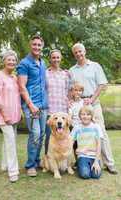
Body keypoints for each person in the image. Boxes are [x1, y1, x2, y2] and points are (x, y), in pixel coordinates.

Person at [69, 42, 117, 174]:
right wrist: (70, 101)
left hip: (93, 103)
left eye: (80, 51)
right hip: (79, 106)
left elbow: (101, 84)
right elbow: (70, 89)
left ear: (85, 51)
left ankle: (109, 163)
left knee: (100, 132)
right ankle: (79, 160)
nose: (79, 54)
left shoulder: (95, 66)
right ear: (74, 55)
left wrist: (92, 99)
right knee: (78, 133)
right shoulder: (72, 70)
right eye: (76, 52)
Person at [17, 35, 48, 177]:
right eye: (34, 44)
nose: (37, 47)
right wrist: (30, 105)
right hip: (31, 106)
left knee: (41, 134)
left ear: (42, 46)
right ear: (30, 45)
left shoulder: (43, 63)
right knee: (34, 134)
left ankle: (36, 161)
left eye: (39, 45)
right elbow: (22, 86)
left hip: (43, 105)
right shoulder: (24, 63)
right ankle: (30, 165)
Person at [0, 50, 21, 182]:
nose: (11, 62)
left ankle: (5, 165)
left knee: (9, 140)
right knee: (10, 142)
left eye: (14, 60)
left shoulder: (14, 77)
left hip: (14, 116)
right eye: (9, 60)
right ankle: (13, 171)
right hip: (5, 117)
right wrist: (6, 116)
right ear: (4, 61)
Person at [45, 49, 69, 154]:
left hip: (63, 110)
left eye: (58, 57)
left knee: (64, 136)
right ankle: (48, 159)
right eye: (53, 57)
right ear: (50, 59)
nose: (56, 59)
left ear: (61, 59)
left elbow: (68, 91)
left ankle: (65, 159)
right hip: (50, 111)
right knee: (49, 136)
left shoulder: (65, 74)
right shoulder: (45, 73)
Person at [71, 106, 102, 179]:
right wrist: (75, 152)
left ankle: (96, 164)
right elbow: (70, 142)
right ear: (80, 116)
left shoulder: (96, 127)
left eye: (88, 114)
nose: (85, 117)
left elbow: (99, 144)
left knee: (96, 175)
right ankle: (81, 165)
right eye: (83, 114)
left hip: (94, 156)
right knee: (85, 175)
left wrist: (96, 161)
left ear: (91, 116)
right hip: (82, 155)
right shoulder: (77, 127)